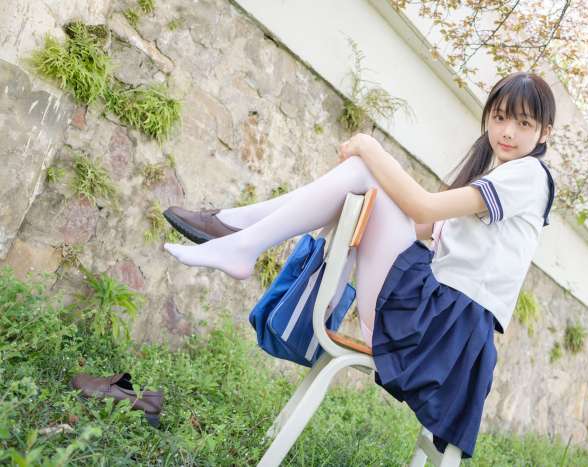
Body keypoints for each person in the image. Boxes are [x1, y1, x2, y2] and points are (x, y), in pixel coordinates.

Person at [162, 70, 556, 459]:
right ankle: (238, 234)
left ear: (544, 132)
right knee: (360, 176)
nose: (508, 131)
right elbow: (417, 223)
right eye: (500, 117)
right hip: (429, 324)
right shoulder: (499, 177)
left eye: (523, 123)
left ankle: (238, 235)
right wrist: (361, 181)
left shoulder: (528, 175)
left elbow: (422, 207)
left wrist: (370, 148)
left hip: (438, 333)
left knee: (362, 170)